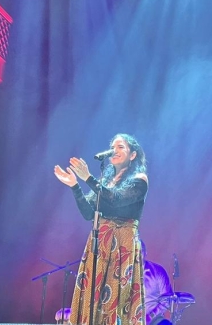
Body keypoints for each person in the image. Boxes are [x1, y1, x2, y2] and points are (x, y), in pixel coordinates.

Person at [54, 133, 149, 325]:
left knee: (115, 296)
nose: (114, 150)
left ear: (132, 155)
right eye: (113, 146)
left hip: (122, 244)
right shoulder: (105, 183)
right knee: (92, 296)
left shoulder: (140, 179)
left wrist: (88, 178)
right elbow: (89, 213)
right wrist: (75, 186)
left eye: (120, 146)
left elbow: (116, 199)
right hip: (101, 243)